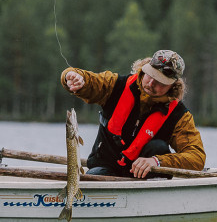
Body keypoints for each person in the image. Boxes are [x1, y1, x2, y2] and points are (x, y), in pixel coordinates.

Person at [61, 49, 206, 178]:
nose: (151, 84)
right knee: (94, 176)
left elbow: (196, 158)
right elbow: (91, 82)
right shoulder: (115, 85)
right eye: (150, 75)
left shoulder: (180, 116)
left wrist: (157, 161)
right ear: (145, 68)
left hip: (147, 178)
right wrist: (73, 77)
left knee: (159, 147)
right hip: (105, 168)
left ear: (173, 85)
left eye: (160, 82)